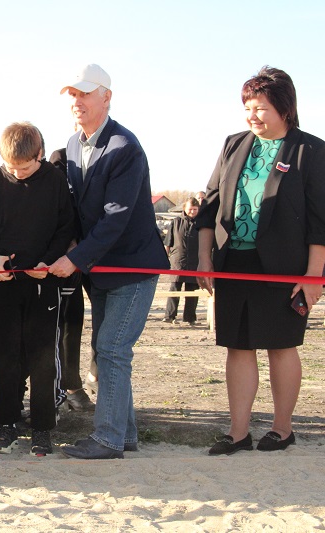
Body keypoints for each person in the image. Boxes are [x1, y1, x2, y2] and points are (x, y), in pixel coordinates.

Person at [196, 66, 325, 455]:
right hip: (233, 262)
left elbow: (320, 220)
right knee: (238, 345)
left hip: (284, 269)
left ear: (285, 107)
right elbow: (209, 206)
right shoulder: (233, 144)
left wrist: (314, 275)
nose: (252, 115)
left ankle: (282, 429)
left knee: (281, 346)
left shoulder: (310, 150)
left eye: (261, 107)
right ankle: (238, 432)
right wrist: (204, 259)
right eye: (247, 107)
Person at [51, 64, 169, 460]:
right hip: (100, 270)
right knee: (109, 351)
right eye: (73, 94)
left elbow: (116, 216)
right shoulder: (73, 144)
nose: (77, 101)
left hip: (132, 268)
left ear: (107, 97)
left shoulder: (124, 147)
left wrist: (75, 258)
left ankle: (107, 439)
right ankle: (125, 434)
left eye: (85, 93)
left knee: (112, 349)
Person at [0, 122, 75, 457]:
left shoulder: (55, 180)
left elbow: (66, 227)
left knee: (42, 358)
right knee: (3, 357)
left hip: (43, 282)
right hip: (1, 283)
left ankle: (42, 428)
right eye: (11, 167)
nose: (17, 173)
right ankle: (5, 425)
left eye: (25, 167)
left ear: (39, 154)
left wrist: (49, 260)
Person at [48, 147, 94, 411]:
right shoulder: (63, 158)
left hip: (98, 250)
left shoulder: (109, 156)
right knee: (67, 323)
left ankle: (92, 376)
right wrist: (71, 240)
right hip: (68, 256)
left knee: (89, 322)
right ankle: (70, 386)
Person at [163, 197, 200, 326]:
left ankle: (190, 318)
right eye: (190, 209)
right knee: (175, 288)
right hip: (178, 261)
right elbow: (168, 243)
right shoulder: (176, 222)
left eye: (195, 209)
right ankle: (169, 316)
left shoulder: (201, 223)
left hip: (195, 261)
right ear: (184, 208)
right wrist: (165, 258)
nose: (192, 212)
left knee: (192, 290)